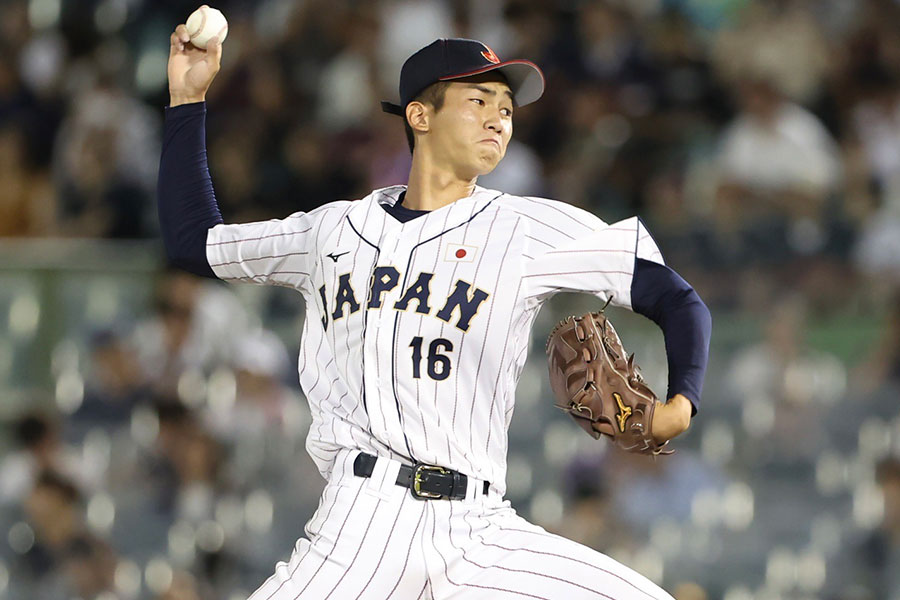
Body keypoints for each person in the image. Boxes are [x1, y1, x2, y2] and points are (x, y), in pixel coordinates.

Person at [160, 21, 712, 599]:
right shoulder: (330, 232)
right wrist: (188, 100)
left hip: (479, 529)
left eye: (507, 107)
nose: (500, 117)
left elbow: (677, 299)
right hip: (363, 526)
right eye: (478, 101)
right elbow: (193, 242)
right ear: (419, 116)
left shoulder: (529, 228)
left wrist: (682, 402)